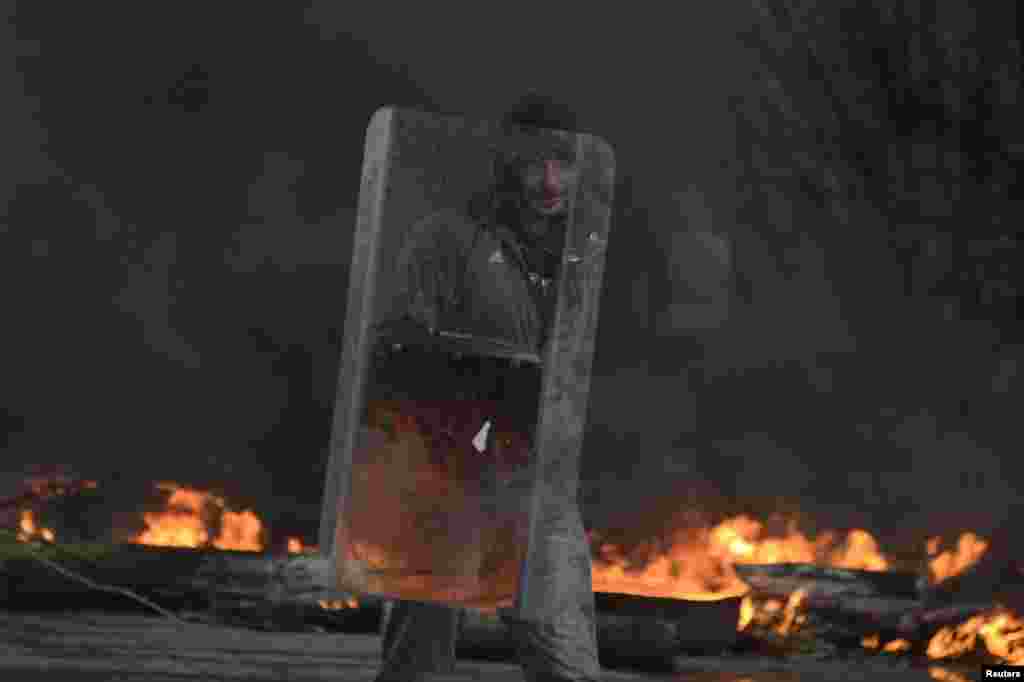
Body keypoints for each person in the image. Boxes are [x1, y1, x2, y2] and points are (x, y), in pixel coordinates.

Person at [371, 93, 601, 682]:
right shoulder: (448, 240)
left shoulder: (584, 258)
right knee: (416, 664)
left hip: (538, 480)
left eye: (564, 163)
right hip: (446, 478)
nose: (550, 182)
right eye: (534, 163)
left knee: (565, 660)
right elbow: (397, 351)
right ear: (506, 163)